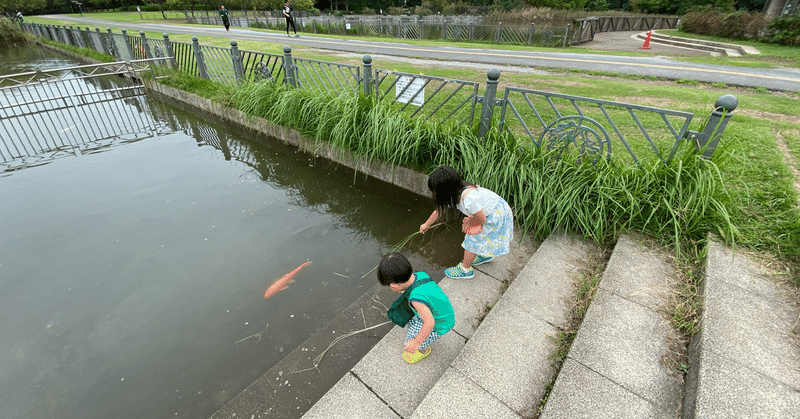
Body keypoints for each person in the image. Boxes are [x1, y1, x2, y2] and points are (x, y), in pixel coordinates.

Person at [420, 165, 513, 279]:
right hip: (490, 212)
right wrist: (427, 224)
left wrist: (472, 223)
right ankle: (485, 255)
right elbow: (440, 211)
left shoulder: (469, 198)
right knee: (478, 236)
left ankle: (465, 270)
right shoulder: (454, 193)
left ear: (444, 190)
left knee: (471, 240)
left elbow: (481, 218)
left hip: (496, 215)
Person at [378, 252, 455, 364]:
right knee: (414, 325)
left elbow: (429, 323)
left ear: (395, 284)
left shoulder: (416, 299)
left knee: (410, 341)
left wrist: (417, 342)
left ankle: (423, 350)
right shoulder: (420, 275)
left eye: (389, 284)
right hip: (442, 313)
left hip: (439, 323)